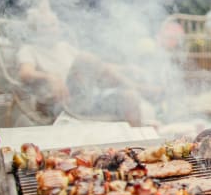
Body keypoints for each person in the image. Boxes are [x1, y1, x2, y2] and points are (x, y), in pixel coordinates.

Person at [16, 7, 156, 126]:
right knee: (85, 58)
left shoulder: (64, 47)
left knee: (129, 97)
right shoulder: (29, 49)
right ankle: (137, 87)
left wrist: (126, 67)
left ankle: (139, 148)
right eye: (46, 26)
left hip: (83, 99)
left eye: (54, 24)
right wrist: (50, 76)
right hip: (56, 103)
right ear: (34, 29)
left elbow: (97, 66)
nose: (53, 29)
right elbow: (25, 73)